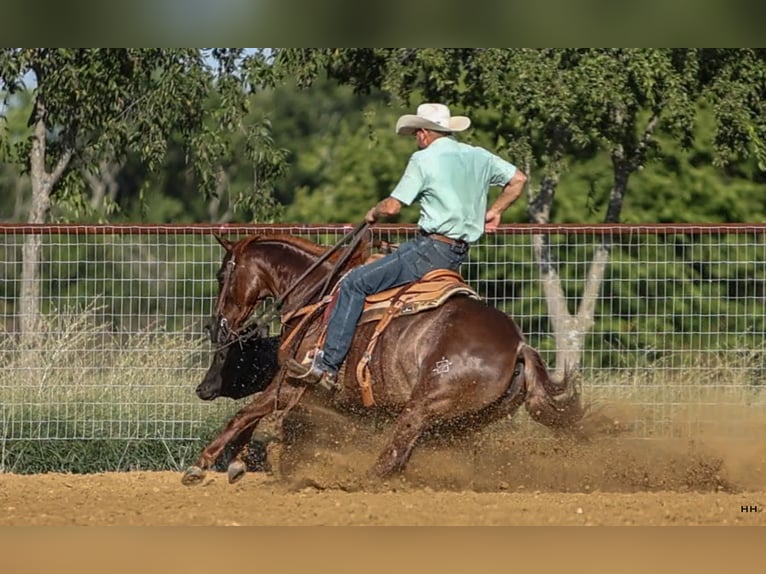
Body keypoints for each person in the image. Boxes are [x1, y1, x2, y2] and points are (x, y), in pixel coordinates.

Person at [285, 102, 527, 389]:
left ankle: (327, 366)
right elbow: (518, 179)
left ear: (424, 133)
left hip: (428, 251)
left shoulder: (423, 160)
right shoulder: (478, 156)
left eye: (415, 134)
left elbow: (392, 207)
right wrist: (496, 210)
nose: (416, 139)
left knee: (354, 283)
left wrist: (372, 212)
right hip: (456, 255)